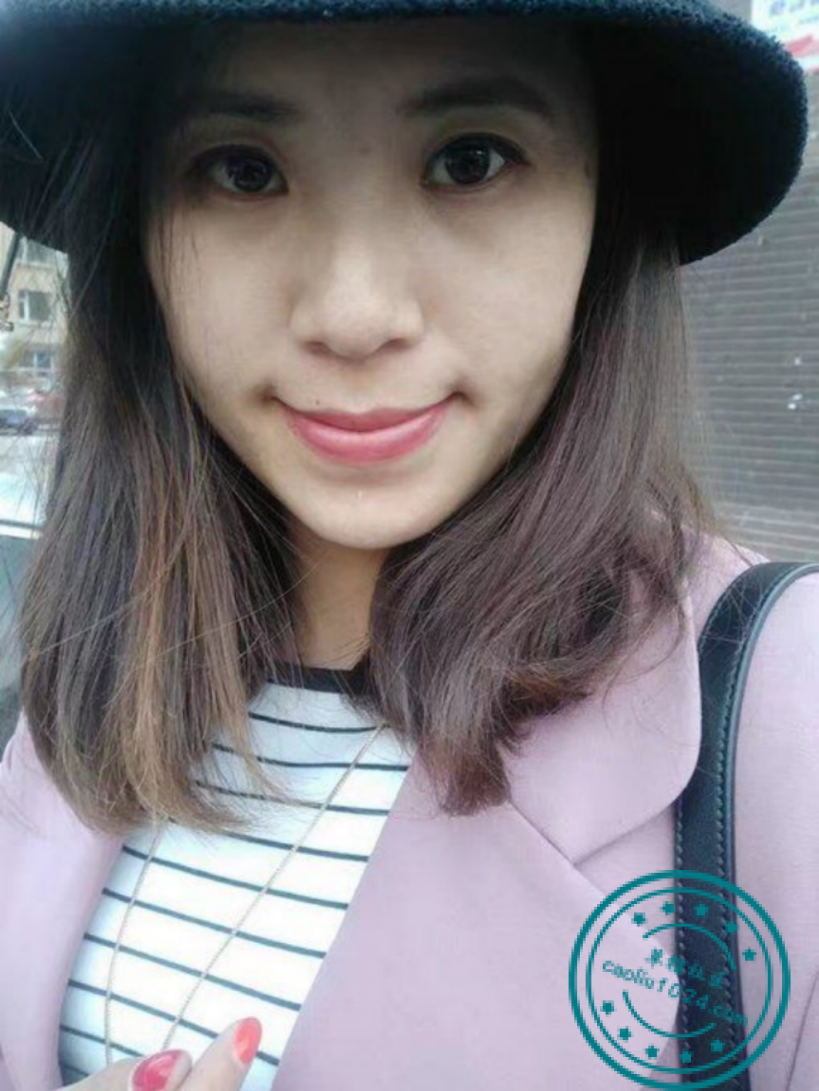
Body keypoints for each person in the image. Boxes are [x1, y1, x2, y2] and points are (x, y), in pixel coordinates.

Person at [0, 2, 816, 1090]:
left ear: (603, 210)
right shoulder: (88, 668)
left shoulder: (778, 704)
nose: (353, 312)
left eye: (470, 160)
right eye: (242, 171)